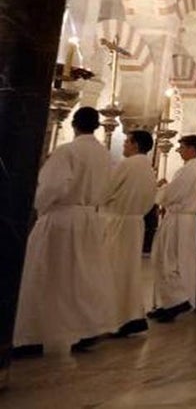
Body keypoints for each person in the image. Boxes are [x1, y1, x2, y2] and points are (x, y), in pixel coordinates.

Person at [12, 107, 115, 357]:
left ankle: (34, 335)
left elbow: (52, 187)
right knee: (82, 277)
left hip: (62, 219)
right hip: (90, 218)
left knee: (46, 276)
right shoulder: (105, 155)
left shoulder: (67, 151)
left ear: (74, 124)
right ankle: (86, 329)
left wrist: (38, 206)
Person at [101, 129, 159, 339]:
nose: (124, 145)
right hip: (135, 224)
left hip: (119, 221)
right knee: (130, 272)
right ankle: (132, 316)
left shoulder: (128, 165)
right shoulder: (148, 167)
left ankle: (113, 319)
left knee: (112, 270)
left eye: (127, 142)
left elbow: (105, 190)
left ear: (135, 145)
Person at [151, 134, 196, 324]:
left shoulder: (190, 170)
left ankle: (178, 301)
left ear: (192, 149)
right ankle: (171, 302)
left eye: (182, 147)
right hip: (186, 220)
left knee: (169, 260)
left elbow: (173, 193)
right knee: (180, 260)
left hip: (179, 220)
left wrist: (159, 191)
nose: (179, 151)